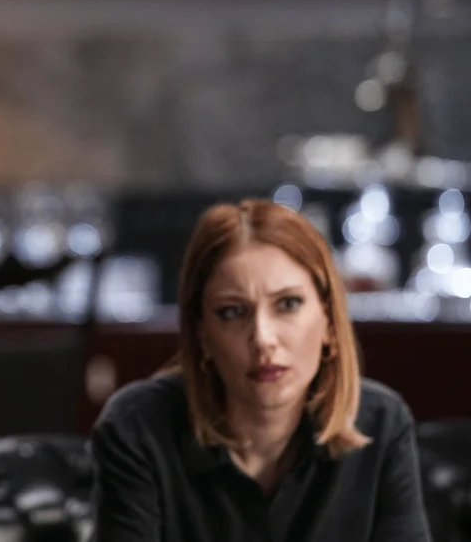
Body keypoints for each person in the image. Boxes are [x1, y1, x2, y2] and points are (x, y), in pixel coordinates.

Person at [90, 199, 430, 542]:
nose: (263, 339)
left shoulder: (380, 424)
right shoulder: (139, 427)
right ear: (202, 335)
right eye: (233, 312)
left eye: (288, 304)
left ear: (328, 319)